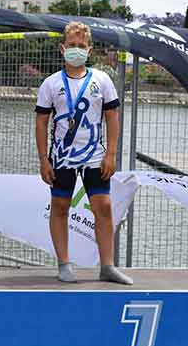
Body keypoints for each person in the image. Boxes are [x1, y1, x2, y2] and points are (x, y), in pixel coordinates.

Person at [34, 21, 132, 285]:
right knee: (60, 206)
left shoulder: (102, 80)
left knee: (104, 206)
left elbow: (112, 117)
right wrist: (44, 160)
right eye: (72, 46)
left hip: (94, 156)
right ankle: (64, 264)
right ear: (62, 48)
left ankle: (107, 266)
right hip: (62, 157)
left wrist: (111, 154)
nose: (76, 50)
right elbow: (42, 122)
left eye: (81, 46)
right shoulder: (51, 84)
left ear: (89, 50)